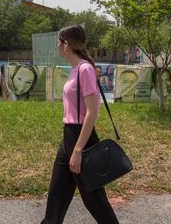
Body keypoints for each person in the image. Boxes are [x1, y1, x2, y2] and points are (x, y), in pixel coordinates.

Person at [41, 25, 119, 224]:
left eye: (59, 42)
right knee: (56, 198)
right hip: (68, 137)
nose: (58, 46)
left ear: (66, 44)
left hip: (80, 140)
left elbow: (93, 113)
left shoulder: (84, 69)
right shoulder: (76, 69)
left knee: (95, 202)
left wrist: (77, 150)